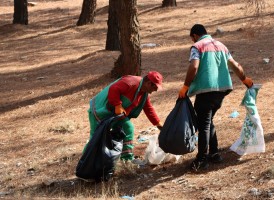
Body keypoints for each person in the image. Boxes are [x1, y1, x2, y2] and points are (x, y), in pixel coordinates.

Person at [178, 24, 253, 170]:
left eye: (192, 39)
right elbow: (235, 65)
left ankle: (201, 159)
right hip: (222, 89)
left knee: (203, 123)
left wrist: (186, 86)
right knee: (207, 120)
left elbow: (194, 67)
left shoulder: (197, 46)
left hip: (206, 90)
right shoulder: (221, 46)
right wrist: (245, 79)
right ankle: (214, 153)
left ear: (194, 36)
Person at [87, 71, 163, 161]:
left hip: (116, 115)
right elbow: (113, 89)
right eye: (155, 87)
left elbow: (148, 108)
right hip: (100, 111)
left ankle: (126, 159)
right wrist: (118, 105)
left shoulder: (143, 92)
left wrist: (158, 124)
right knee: (96, 139)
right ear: (149, 83)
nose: (156, 90)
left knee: (128, 127)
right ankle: (85, 163)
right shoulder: (131, 82)